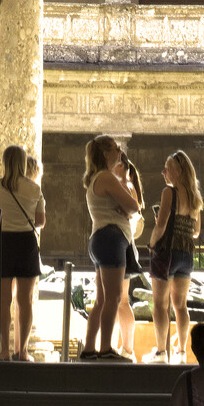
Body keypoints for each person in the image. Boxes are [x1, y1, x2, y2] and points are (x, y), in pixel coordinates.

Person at [80, 134, 141, 360]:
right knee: (114, 297)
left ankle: (89, 348)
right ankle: (105, 348)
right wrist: (127, 210)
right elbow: (134, 206)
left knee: (102, 300)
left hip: (100, 238)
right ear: (105, 154)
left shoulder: (97, 178)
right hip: (112, 238)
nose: (119, 152)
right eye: (116, 148)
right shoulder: (106, 177)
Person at [0, 144, 45, 361]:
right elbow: (40, 221)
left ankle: (2, 351)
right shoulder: (34, 189)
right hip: (26, 243)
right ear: (22, 163)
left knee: (3, 300)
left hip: (3, 242)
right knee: (25, 300)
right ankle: (22, 351)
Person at [146, 150, 202, 363]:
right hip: (186, 254)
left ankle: (161, 352)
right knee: (180, 305)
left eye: (167, 168)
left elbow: (160, 225)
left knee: (160, 304)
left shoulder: (169, 193)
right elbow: (196, 232)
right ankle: (181, 350)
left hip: (167, 253)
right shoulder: (195, 197)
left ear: (178, 171)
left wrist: (151, 244)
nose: (163, 172)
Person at [114, 151, 146, 361]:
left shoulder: (127, 187)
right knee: (117, 301)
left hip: (123, 244)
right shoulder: (125, 187)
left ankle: (128, 348)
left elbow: (129, 213)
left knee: (122, 301)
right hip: (123, 243)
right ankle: (122, 346)